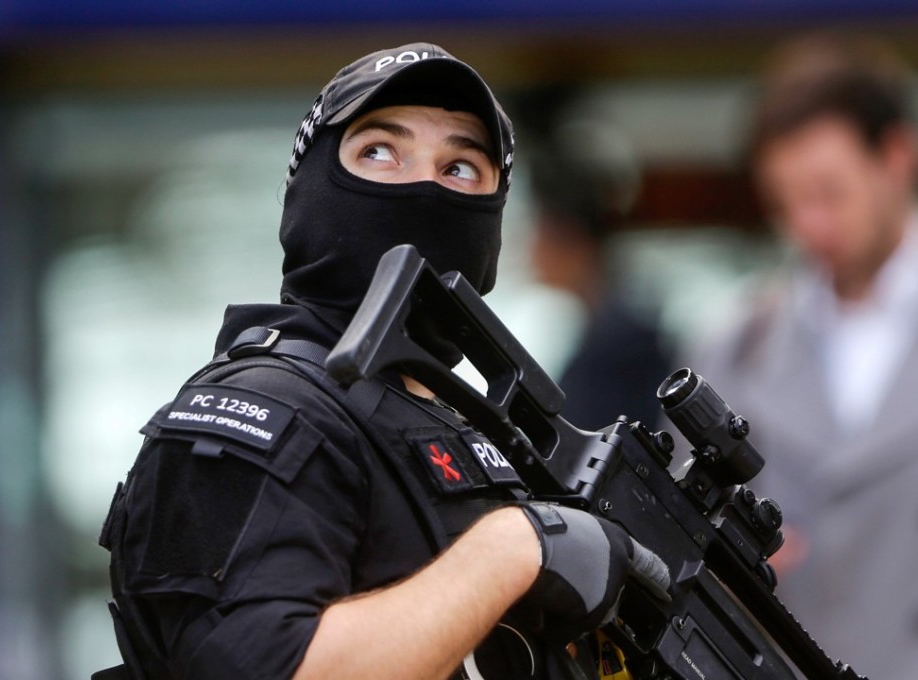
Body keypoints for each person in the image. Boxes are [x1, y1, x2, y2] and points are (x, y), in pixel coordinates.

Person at [94, 43, 669, 680]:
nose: (424, 186)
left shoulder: (468, 430)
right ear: (310, 189)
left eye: (460, 169)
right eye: (379, 152)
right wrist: (518, 546)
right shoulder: (266, 408)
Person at [685, 32, 918, 678]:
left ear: (896, 157)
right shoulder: (732, 346)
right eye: (786, 203)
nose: (808, 227)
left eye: (829, 193)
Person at [518, 99, 672, 430]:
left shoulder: (620, 352)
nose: (528, 248)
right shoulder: (614, 336)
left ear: (566, 237)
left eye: (538, 231)